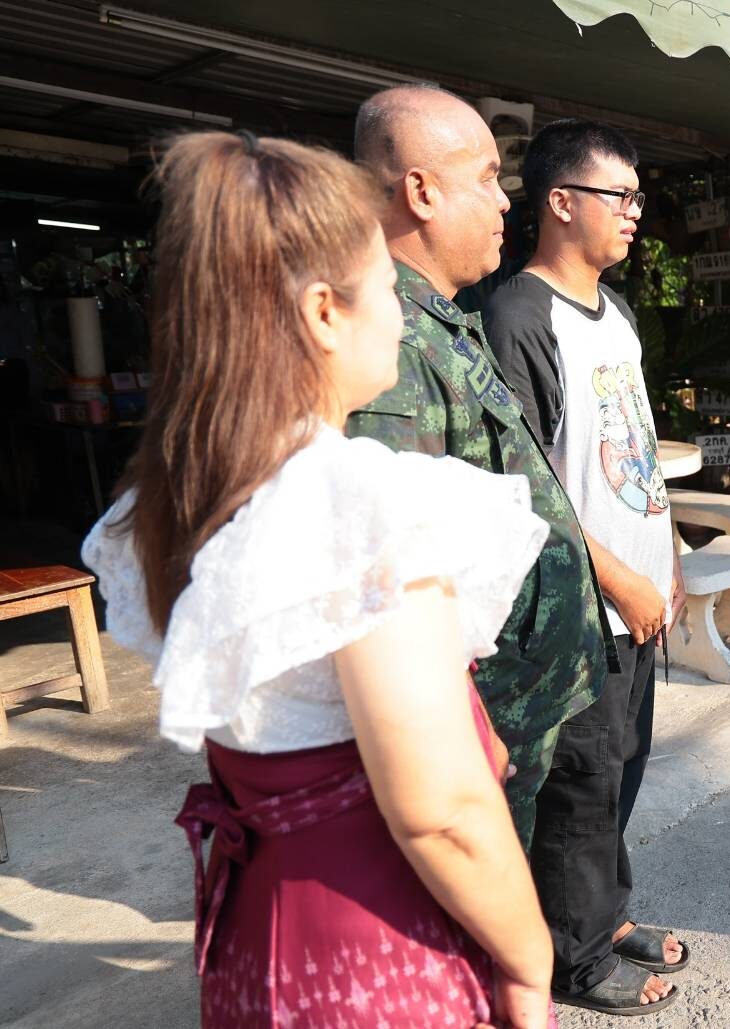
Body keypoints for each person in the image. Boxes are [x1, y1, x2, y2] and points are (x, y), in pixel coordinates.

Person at [81, 131, 557, 1027]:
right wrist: (530, 959)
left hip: (255, 932)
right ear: (324, 313)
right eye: (386, 287)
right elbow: (441, 809)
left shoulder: (187, 491)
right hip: (374, 945)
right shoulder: (357, 503)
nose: (401, 315)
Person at [345, 85, 611, 850]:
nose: (503, 201)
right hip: (484, 732)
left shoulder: (442, 319)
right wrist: (463, 731)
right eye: (487, 178)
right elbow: (387, 587)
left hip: (528, 698)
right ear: (421, 192)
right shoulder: (391, 347)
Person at [484, 118, 688, 1018]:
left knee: (620, 768)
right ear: (561, 202)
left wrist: (666, 556)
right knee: (577, 783)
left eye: (638, 196)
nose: (635, 212)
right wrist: (618, 579)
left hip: (637, 595)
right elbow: (523, 488)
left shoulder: (615, 310)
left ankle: (604, 916)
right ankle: (573, 957)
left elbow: (632, 449)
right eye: (620, 195)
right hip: (579, 609)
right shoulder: (517, 316)